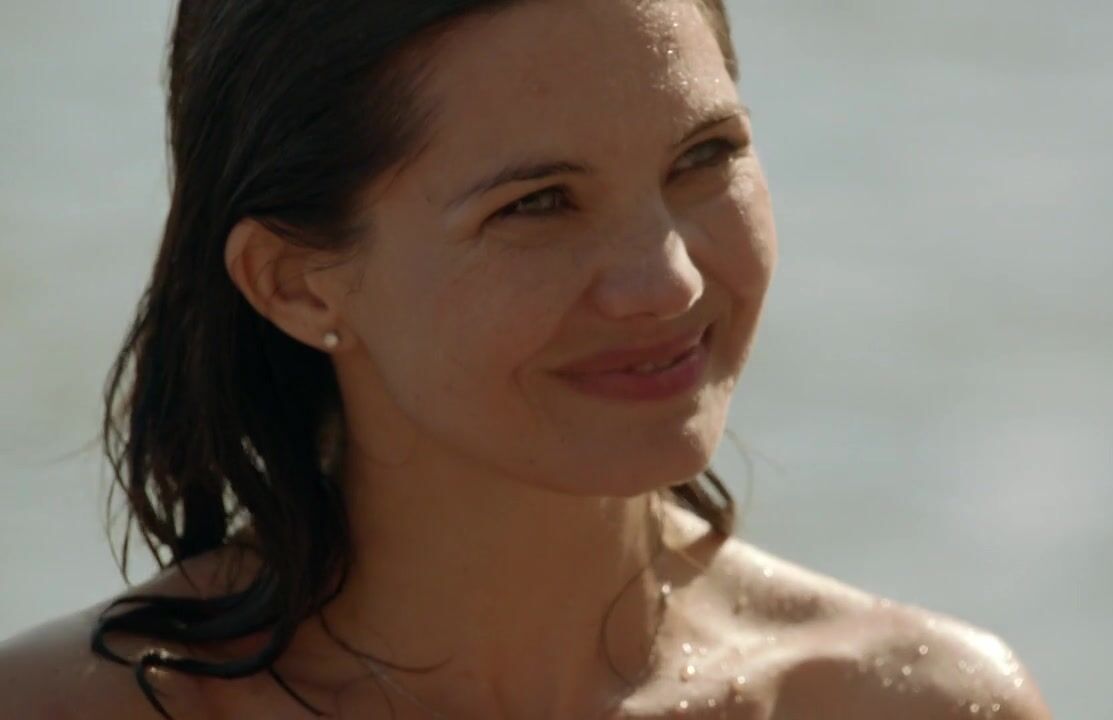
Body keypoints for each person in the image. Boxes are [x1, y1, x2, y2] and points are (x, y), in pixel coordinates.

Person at [0, 1, 1052, 718]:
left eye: (704, 156)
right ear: (297, 283)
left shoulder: (912, 703)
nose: (668, 282)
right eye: (538, 204)